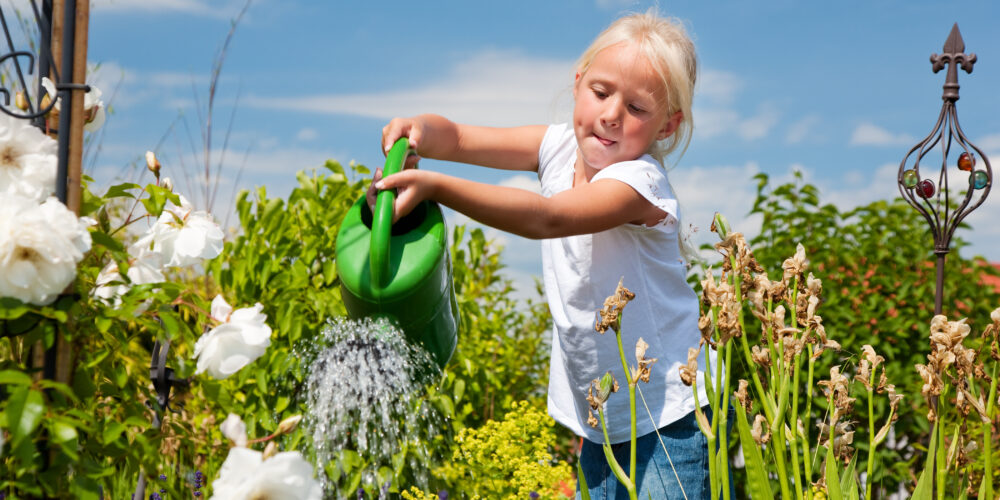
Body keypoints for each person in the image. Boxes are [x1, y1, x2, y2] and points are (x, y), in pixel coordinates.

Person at [372, 10, 713, 499]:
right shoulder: (554, 147)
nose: (612, 114)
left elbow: (547, 218)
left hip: (668, 418)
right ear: (578, 84)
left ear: (667, 126)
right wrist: (417, 130)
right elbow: (463, 138)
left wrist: (435, 187)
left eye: (637, 108)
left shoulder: (640, 184)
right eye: (601, 92)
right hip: (601, 420)